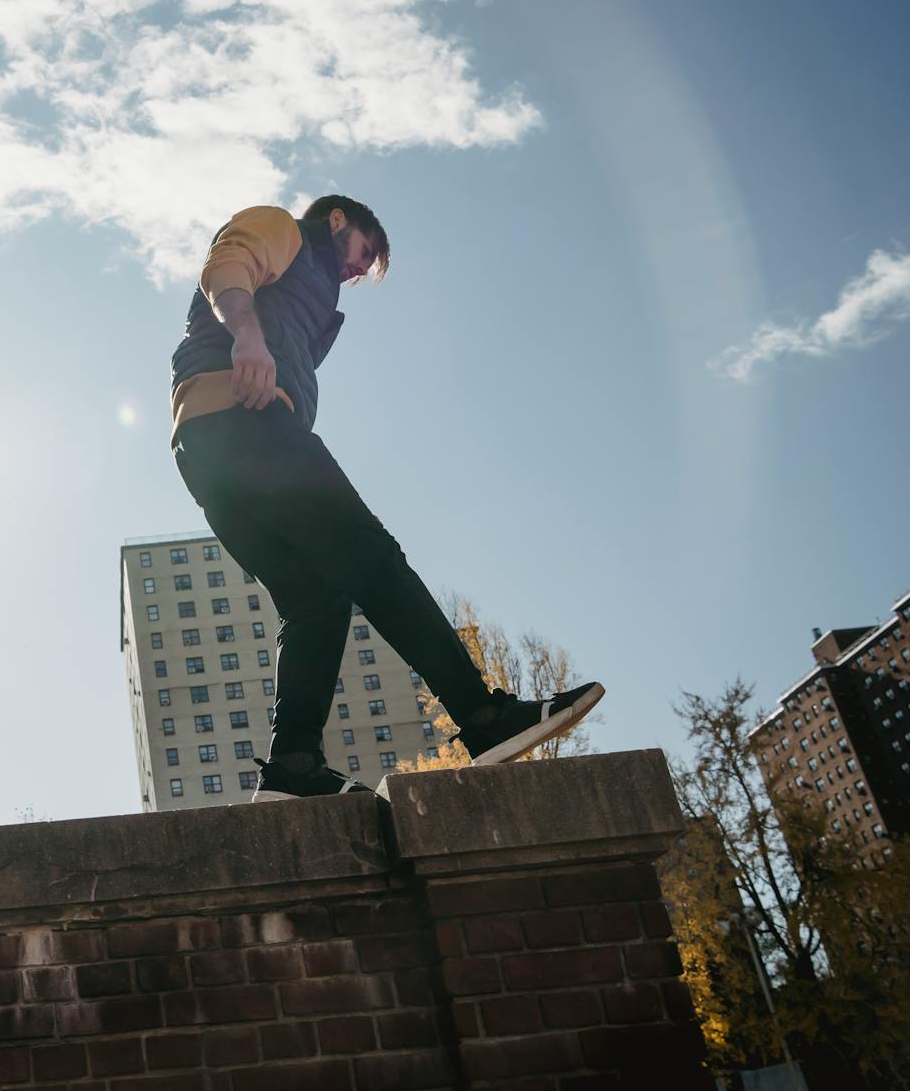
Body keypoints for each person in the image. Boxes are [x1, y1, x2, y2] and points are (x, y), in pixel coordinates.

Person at [168, 196, 603, 799]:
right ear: (339, 221)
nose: (358, 271)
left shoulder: (317, 298)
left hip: (210, 454)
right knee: (374, 561)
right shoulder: (284, 228)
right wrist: (246, 337)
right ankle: (483, 717)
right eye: (364, 254)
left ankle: (293, 767)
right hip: (247, 423)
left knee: (316, 599)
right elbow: (227, 266)